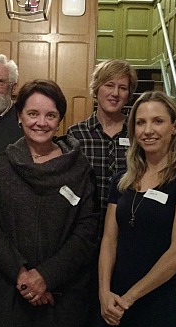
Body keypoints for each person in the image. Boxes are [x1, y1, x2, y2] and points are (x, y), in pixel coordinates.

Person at [0, 79, 99, 327]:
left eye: (50, 115)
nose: (41, 122)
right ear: (19, 116)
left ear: (60, 120)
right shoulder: (0, 166)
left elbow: (86, 231)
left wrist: (46, 276)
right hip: (9, 294)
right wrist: (23, 276)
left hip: (62, 296)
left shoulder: (79, 169)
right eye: (33, 113)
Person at [96, 91, 176, 327]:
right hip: (116, 299)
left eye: (157, 121)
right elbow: (109, 240)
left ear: (174, 127)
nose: (148, 130)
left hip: (161, 300)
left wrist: (130, 298)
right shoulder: (122, 179)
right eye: (140, 122)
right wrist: (104, 293)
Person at [67, 59, 138, 236]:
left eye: (122, 88)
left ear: (128, 94)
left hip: (128, 231)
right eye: (109, 85)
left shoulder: (138, 133)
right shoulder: (76, 134)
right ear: (96, 89)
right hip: (85, 232)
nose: (115, 93)